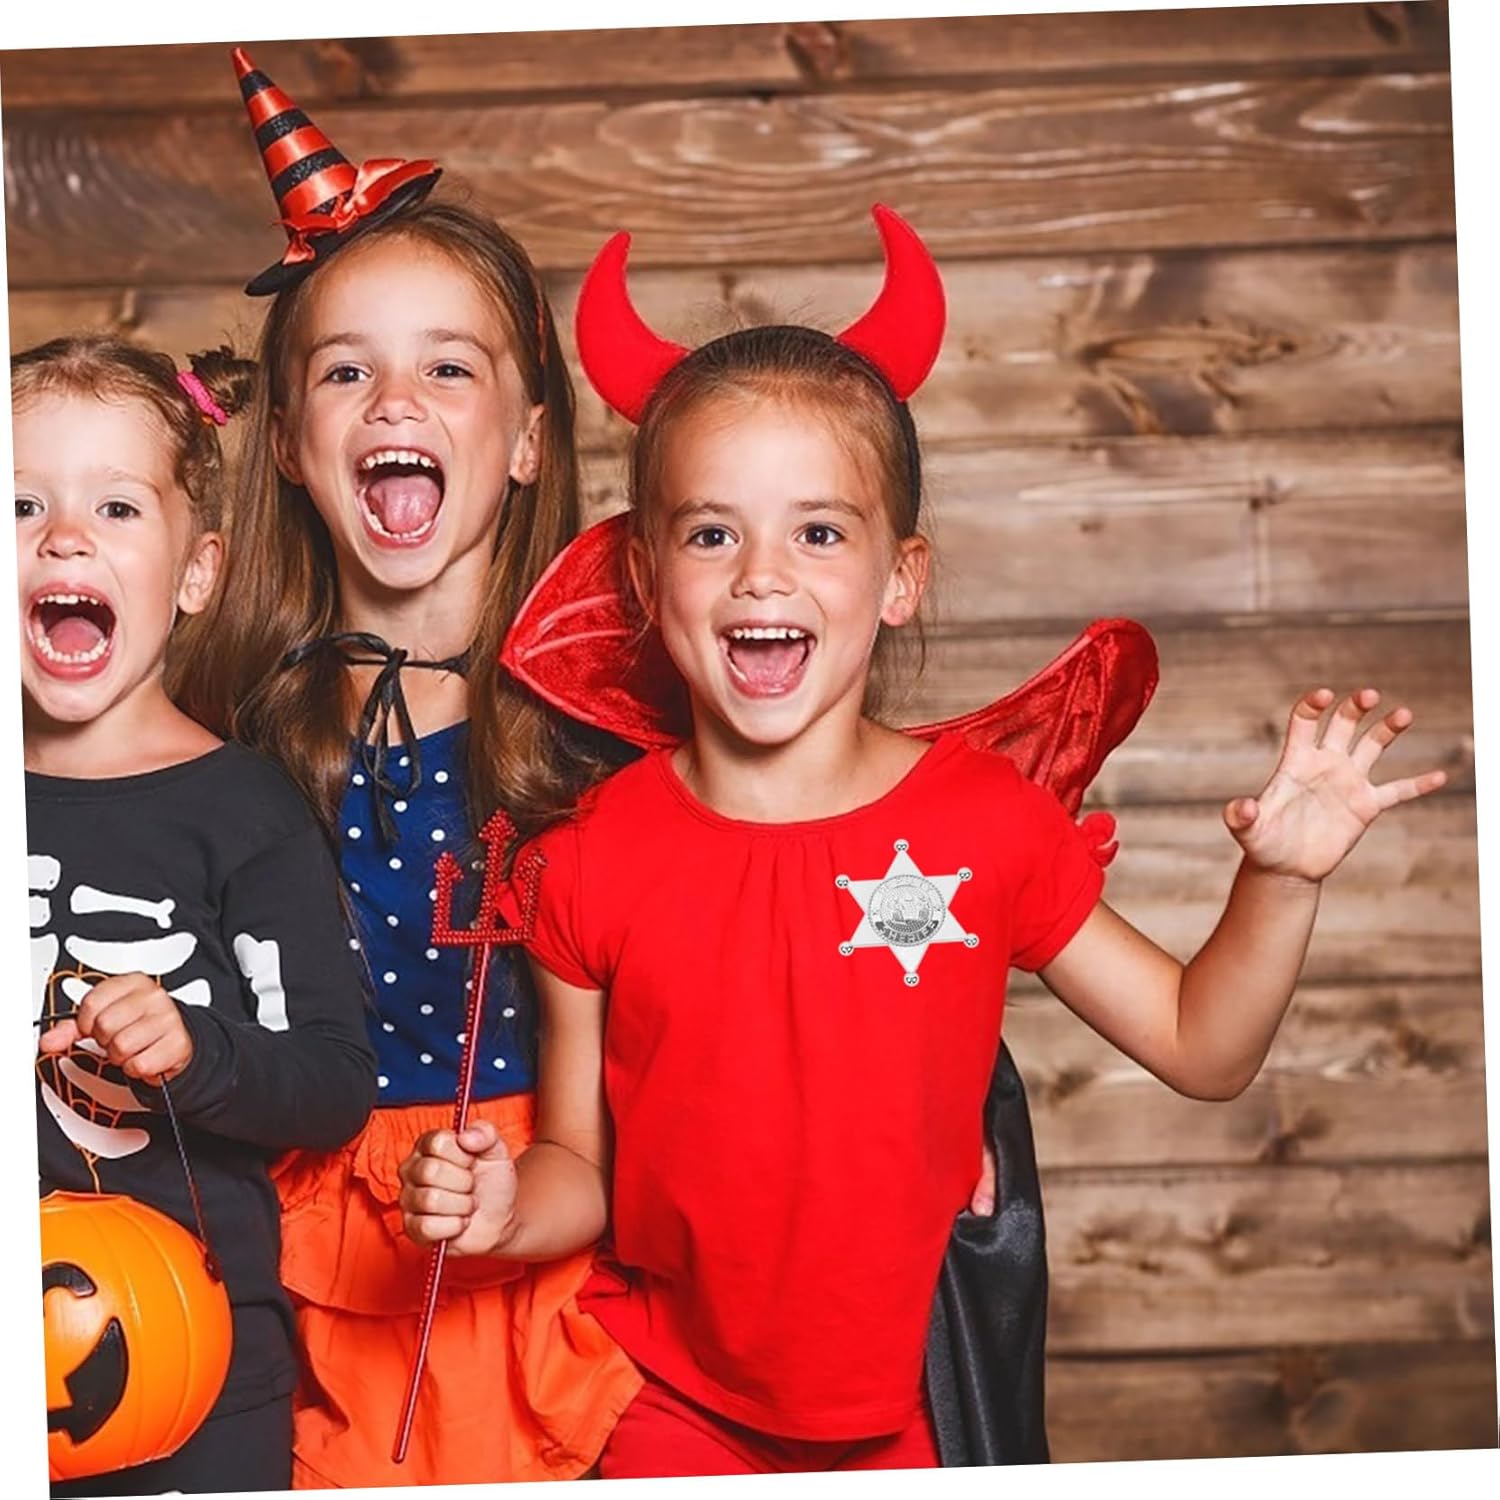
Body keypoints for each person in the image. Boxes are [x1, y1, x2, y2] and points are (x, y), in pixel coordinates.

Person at [397, 208, 1447, 1479]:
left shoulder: (983, 822)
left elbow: (1203, 1046)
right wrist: (508, 1208)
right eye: (713, 533)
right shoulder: (589, 857)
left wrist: (1278, 882)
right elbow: (583, 1167)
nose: (762, 576)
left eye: (819, 532)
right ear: (644, 580)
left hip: (918, 1415)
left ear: (901, 579)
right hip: (666, 1407)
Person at [168, 48, 641, 1487]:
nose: (394, 400)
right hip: (294, 1246)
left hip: (552, 1227)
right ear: (291, 446)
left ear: (527, 439)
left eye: (447, 366)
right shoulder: (222, 735)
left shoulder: (614, 728)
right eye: (346, 369)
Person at [18, 333, 377, 1496]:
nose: (64, 537)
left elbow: (332, 1083)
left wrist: (198, 1050)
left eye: (116, 507)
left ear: (196, 572)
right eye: (21, 504)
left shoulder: (246, 809)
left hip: (193, 1359)